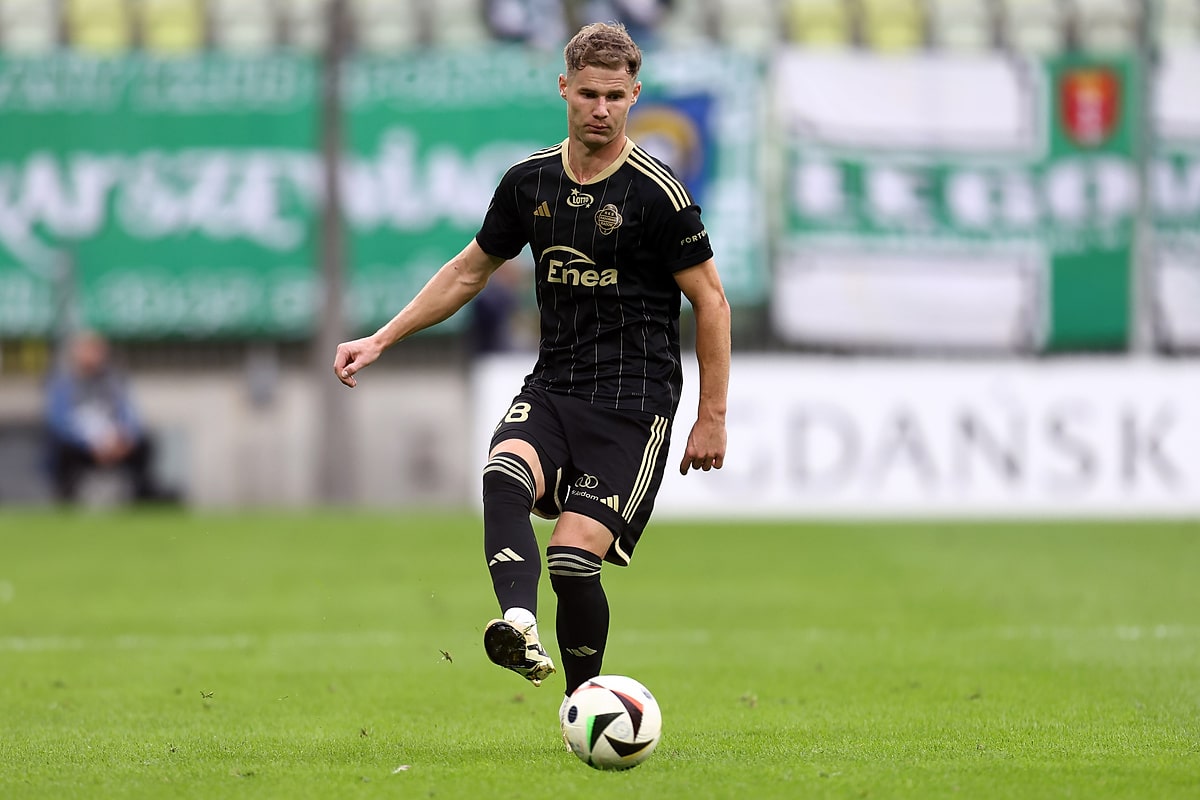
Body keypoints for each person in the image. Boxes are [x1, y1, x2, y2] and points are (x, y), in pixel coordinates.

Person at [333, 21, 730, 733]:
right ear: (564, 89)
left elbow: (712, 301)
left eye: (615, 96)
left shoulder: (659, 196)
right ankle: (518, 621)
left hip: (632, 405)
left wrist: (712, 416)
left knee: (574, 562)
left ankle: (583, 705)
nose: (601, 109)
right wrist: (381, 338)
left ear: (635, 95)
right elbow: (468, 271)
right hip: (554, 385)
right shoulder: (528, 183)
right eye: (589, 94)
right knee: (503, 472)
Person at [43, 331, 171, 504]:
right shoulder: (63, 384)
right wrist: (89, 444)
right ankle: (66, 496)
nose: (92, 356)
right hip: (81, 447)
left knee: (145, 443)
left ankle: (143, 495)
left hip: (115, 443)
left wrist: (124, 440)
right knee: (60, 448)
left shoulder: (115, 381)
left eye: (96, 350)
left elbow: (130, 415)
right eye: (87, 350)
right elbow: (59, 423)